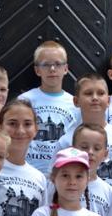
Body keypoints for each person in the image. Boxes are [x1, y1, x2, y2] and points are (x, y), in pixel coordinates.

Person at [58, 73, 112, 186]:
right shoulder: (66, 141)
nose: (95, 98)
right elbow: (55, 177)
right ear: (76, 101)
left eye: (101, 93)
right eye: (88, 93)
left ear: (108, 101)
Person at [20, 40, 79, 173]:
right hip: (29, 170)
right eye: (46, 64)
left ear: (66, 69)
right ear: (37, 70)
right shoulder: (25, 100)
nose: (52, 69)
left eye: (57, 64)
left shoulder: (74, 103)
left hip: (62, 172)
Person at [68, 123, 112, 216]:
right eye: (84, 147)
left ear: (105, 154)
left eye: (97, 148)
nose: (90, 152)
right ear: (72, 150)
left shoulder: (110, 193)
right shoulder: (59, 185)